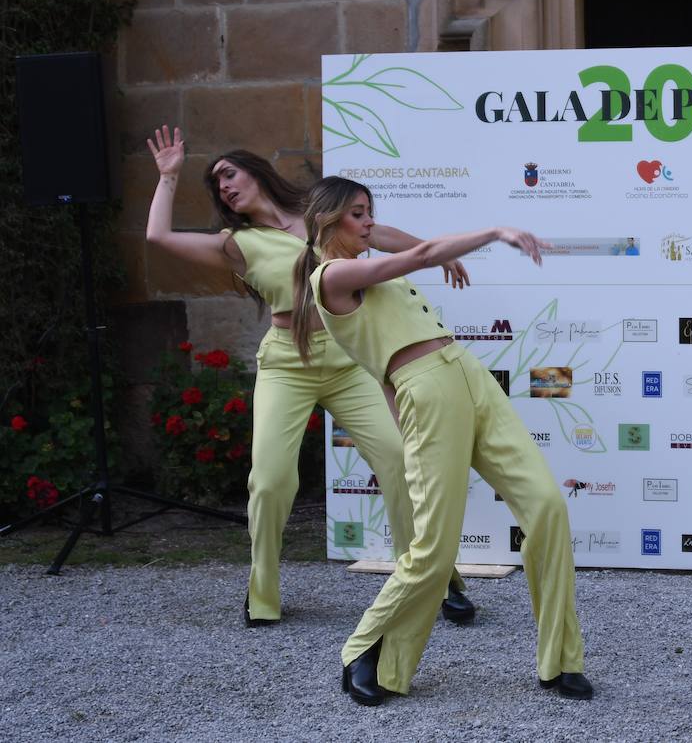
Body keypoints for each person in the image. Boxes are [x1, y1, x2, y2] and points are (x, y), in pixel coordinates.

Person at [143, 126, 476, 627]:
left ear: (255, 171)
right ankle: (263, 596)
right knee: (271, 480)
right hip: (286, 364)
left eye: (229, 174)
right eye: (217, 186)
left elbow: (379, 236)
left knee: (398, 459)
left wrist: (437, 250)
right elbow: (157, 237)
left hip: (347, 357)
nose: (225, 187)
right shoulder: (236, 243)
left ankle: (435, 581)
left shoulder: (318, 215)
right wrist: (168, 177)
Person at [293, 176, 589, 707]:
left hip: (467, 374)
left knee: (547, 506)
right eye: (358, 214)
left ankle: (559, 660)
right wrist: (494, 232)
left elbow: (396, 240)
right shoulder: (332, 275)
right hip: (427, 388)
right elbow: (419, 251)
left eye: (369, 213)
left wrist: (426, 252)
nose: (369, 223)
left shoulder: (359, 247)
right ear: (328, 221)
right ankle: (365, 649)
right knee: (433, 547)